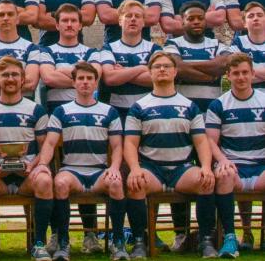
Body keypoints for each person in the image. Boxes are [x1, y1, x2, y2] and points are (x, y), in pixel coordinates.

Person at [123, 52, 217, 259]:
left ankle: (206, 241)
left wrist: (206, 166)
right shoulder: (139, 107)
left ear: (175, 72)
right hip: (152, 168)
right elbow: (130, 142)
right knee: (135, 183)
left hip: (181, 168)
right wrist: (135, 168)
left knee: (206, 181)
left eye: (166, 66)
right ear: (150, 73)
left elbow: (201, 141)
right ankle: (141, 241)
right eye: (157, 67)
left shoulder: (190, 106)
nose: (162, 70)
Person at [37, 62, 127, 261]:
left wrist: (114, 167)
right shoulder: (61, 111)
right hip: (72, 170)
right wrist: (43, 164)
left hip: (99, 171)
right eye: (81, 79)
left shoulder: (109, 112)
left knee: (116, 182)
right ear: (74, 83)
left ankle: (118, 242)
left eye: (89, 79)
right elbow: (50, 143)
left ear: (96, 83)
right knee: (59, 183)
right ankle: (63, 242)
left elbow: (118, 147)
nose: (85, 83)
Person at [0, 57, 50, 261]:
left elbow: (45, 147)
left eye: (15, 74)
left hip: (27, 175)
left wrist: (33, 165)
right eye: (5, 75)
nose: (10, 79)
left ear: (23, 79)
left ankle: (39, 243)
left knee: (44, 180)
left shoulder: (36, 110)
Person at [206, 53, 265, 259]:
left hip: (260, 166)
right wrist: (222, 160)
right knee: (223, 174)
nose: (241, 77)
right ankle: (230, 237)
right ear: (228, 76)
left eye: (245, 73)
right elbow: (211, 141)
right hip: (234, 166)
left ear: (253, 74)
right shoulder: (218, 105)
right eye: (236, 73)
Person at [99, 0, 161, 121]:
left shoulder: (155, 49)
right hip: (116, 112)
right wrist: (142, 68)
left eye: (137, 16)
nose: (133, 19)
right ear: (120, 21)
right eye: (128, 16)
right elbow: (110, 78)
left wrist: (124, 72)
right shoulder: (108, 48)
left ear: (143, 22)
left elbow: (157, 78)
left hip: (147, 111)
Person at [163, 2, 230, 113]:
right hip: (181, 109)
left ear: (205, 21)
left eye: (200, 18)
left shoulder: (217, 43)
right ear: (183, 22)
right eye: (191, 19)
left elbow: (223, 64)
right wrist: (209, 76)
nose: (196, 22)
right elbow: (179, 69)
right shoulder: (172, 44)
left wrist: (186, 65)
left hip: (212, 109)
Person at [39, 4, 101, 114]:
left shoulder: (92, 52)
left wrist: (61, 70)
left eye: (73, 20)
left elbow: (95, 78)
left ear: (80, 25)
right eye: (65, 20)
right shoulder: (46, 51)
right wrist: (82, 76)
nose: (69, 24)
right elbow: (49, 78)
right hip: (55, 110)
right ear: (57, 25)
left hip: (85, 111)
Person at [0, 0, 39, 100]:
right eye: (1, 15)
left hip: (24, 108)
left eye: (10, 14)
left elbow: (31, 82)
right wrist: (20, 77)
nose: (6, 18)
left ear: (18, 19)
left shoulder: (32, 48)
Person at [229, 2, 265, 91]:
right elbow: (238, 76)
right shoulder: (238, 43)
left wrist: (248, 71)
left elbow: (244, 75)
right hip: (247, 99)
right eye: (251, 16)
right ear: (244, 23)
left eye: (260, 15)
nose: (256, 18)